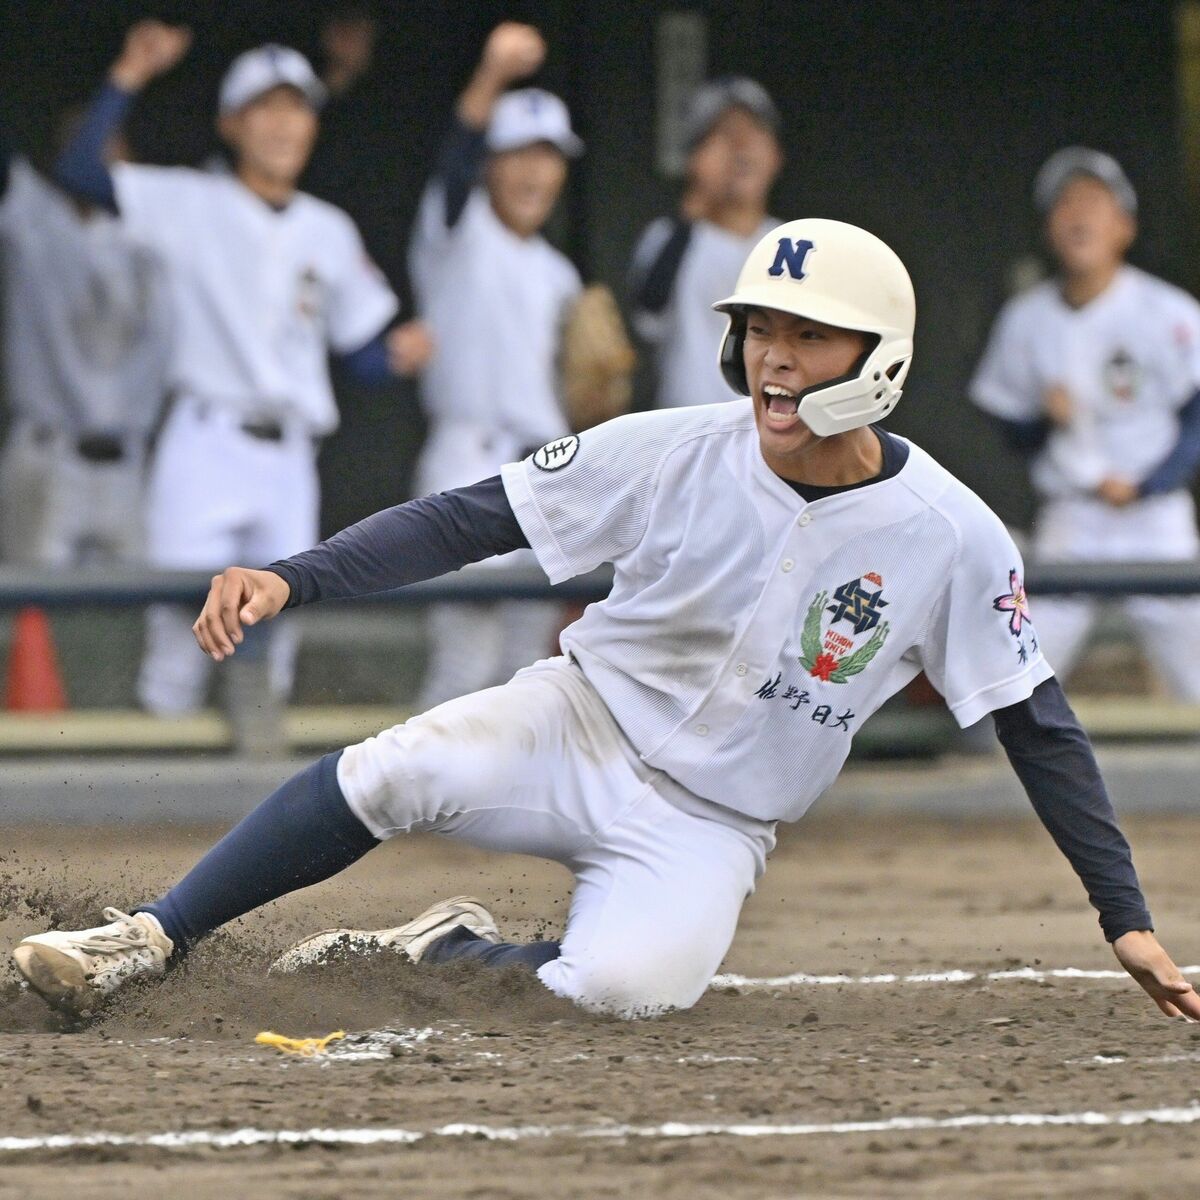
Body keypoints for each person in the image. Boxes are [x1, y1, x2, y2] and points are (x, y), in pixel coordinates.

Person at [13, 219, 1198, 1025]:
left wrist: (1126, 920)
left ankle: (441, 950)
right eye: (761, 331)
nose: (774, 362)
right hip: (580, 722)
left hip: (715, 822)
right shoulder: (679, 446)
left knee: (621, 995)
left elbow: (1038, 724)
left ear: (879, 360)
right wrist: (295, 577)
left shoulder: (952, 531)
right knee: (395, 769)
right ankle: (152, 937)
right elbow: (471, 518)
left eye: (809, 337)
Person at [54, 21, 433, 715]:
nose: (286, 123)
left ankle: (248, 817)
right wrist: (129, 74)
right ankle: (154, 817)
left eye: (298, 108)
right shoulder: (188, 201)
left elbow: (357, 357)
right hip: (206, 440)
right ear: (232, 122)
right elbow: (80, 171)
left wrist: (396, 356)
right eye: (267, 107)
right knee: (179, 633)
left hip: (288, 456)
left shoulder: (329, 228)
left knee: (274, 641)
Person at [971, 147, 1200, 700]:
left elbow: (1197, 417)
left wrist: (1152, 482)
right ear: (1050, 227)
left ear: (1124, 225)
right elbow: (1011, 435)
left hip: (1155, 519)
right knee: (1016, 670)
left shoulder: (1167, 309)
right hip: (1072, 518)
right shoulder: (1026, 318)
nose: (1079, 216)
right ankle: (998, 782)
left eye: (1094, 203)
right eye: (1065, 204)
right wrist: (1043, 422)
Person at [408, 22, 582, 706]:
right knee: (461, 665)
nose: (535, 172)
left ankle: (495, 817)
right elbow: (452, 167)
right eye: (519, 154)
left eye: (549, 156)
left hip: (545, 474)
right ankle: (404, 805)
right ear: (491, 163)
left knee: (523, 673)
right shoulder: (456, 231)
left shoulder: (562, 274)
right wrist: (490, 77)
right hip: (467, 458)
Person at [0, 122, 170, 566]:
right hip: (48, 453)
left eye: (116, 149)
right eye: (92, 150)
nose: (106, 163)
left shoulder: (155, 232)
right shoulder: (32, 215)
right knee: (30, 619)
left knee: (141, 616)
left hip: (128, 466)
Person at [628, 77, 783, 409]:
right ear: (695, 158)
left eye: (753, 131)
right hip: (688, 435)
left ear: (776, 155)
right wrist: (693, 209)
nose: (740, 147)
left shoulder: (793, 243)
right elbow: (647, 321)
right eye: (724, 133)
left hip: (772, 436)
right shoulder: (670, 237)